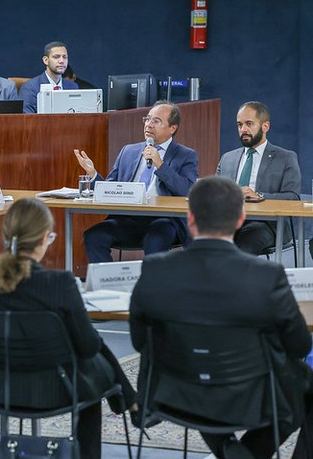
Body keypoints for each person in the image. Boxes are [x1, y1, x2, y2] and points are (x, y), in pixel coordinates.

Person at [130, 176, 313, 459]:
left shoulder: (154, 269)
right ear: (241, 218)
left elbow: (140, 341)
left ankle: (229, 450)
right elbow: (299, 346)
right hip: (250, 397)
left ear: (190, 219)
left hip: (176, 393)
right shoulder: (267, 276)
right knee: (304, 384)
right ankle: (247, 453)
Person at [0, 198, 136, 459]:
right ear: (45, 238)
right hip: (58, 392)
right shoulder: (60, 283)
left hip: (0, 386)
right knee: (91, 370)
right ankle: (123, 410)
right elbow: (89, 346)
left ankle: (130, 401)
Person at [74, 100, 198, 262]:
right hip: (129, 218)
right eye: (147, 119)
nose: (149, 125)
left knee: (155, 240)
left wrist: (160, 165)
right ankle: (109, 282)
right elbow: (109, 189)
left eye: (156, 121)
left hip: (164, 220)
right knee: (94, 236)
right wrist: (93, 173)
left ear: (172, 128)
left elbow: (187, 191)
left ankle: (151, 286)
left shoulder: (186, 155)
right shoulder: (129, 151)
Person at [216, 101, 301, 254]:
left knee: (243, 244)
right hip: (229, 220)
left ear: (265, 126)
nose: (243, 129)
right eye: (239, 125)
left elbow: (293, 198)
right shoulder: (227, 158)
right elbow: (216, 192)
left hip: (266, 223)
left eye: (249, 124)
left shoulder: (285, 157)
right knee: (201, 241)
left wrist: (259, 196)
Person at [19, 41, 79, 113]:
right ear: (46, 60)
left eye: (65, 57)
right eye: (56, 57)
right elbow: (28, 120)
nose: (62, 61)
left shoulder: (72, 87)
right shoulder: (30, 88)